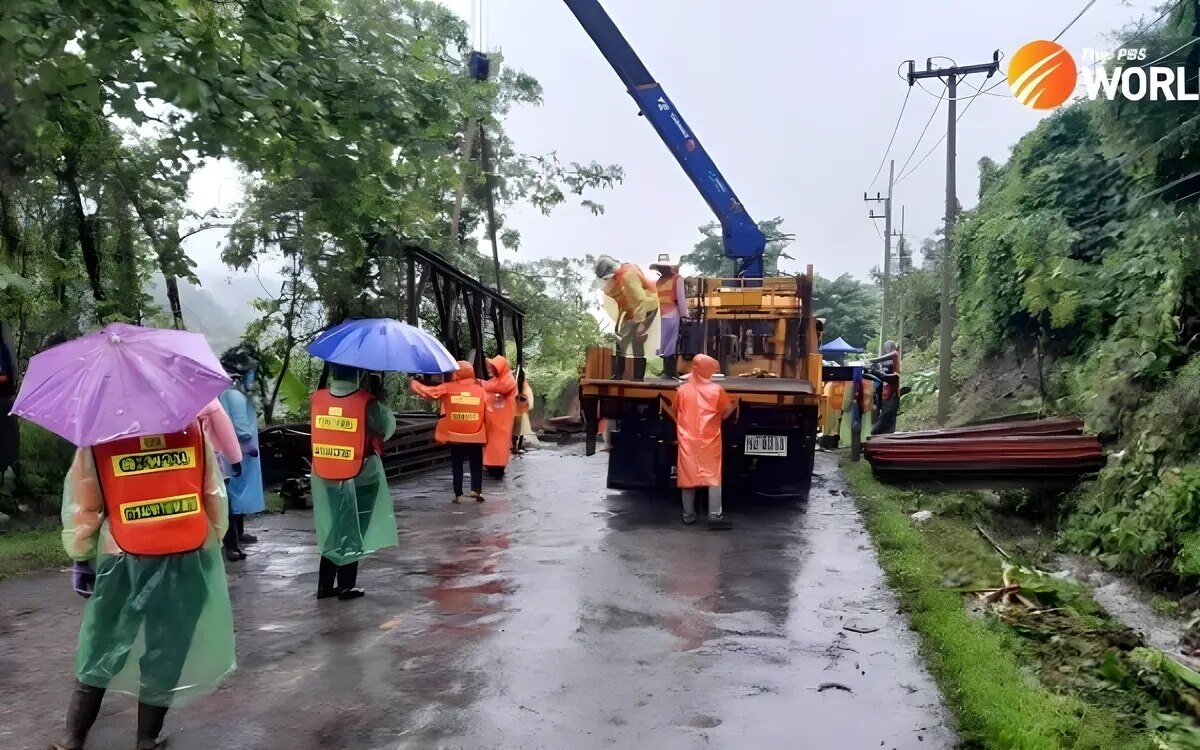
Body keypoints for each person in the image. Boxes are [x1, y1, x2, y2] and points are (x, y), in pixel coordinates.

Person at [53, 421, 235, 750]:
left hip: (121, 554)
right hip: (186, 551)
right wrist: (214, 541)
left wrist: (81, 554)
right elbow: (211, 492)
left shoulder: (100, 435)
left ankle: (71, 738)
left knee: (102, 642)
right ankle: (146, 740)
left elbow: (85, 500)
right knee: (168, 647)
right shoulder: (190, 428)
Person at [310, 364, 398, 601]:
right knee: (354, 529)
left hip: (327, 473)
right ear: (358, 374)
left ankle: (325, 585)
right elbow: (385, 429)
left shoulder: (318, 399)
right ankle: (346, 585)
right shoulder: (366, 402)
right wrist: (378, 401)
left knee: (336, 526)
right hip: (361, 476)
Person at [410, 360, 488, 504]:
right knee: (476, 463)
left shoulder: (448, 387)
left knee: (457, 465)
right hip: (476, 435)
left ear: (457, 372)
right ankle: (476, 490)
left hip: (455, 435)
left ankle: (458, 495)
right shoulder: (481, 390)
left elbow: (428, 393)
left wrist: (414, 383)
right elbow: (488, 412)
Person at [675, 354, 735, 529]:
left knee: (687, 477)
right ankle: (715, 515)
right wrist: (716, 420)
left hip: (687, 439)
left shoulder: (682, 390)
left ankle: (688, 515)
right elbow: (728, 410)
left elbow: (675, 409)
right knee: (713, 477)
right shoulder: (717, 390)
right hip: (710, 439)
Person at [217, 347, 266, 562]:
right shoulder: (233, 395)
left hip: (236, 453)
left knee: (237, 495)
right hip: (237, 454)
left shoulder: (229, 393)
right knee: (233, 498)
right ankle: (231, 545)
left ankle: (238, 535)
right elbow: (239, 426)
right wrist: (248, 445)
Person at [595, 255, 659, 382]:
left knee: (637, 340)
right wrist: (620, 324)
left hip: (646, 307)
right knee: (620, 341)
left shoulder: (628, 276)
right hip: (632, 311)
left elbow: (640, 301)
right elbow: (623, 304)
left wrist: (641, 325)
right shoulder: (618, 280)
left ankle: (638, 377)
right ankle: (618, 374)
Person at [650, 254, 688, 380]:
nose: (660, 270)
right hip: (661, 315)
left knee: (670, 344)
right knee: (664, 343)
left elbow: (681, 299)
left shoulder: (678, 279)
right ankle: (668, 371)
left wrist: (684, 316)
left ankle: (670, 371)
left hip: (672, 314)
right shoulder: (659, 281)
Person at [482, 355, 517, 478]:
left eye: (494, 367)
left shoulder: (507, 380)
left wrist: (481, 384)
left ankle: (497, 467)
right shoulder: (498, 379)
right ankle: (492, 465)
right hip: (494, 418)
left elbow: (498, 387)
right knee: (493, 442)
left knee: (499, 443)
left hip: (502, 420)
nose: (491, 369)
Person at [868, 340, 901, 436]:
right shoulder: (890, 364)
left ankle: (875, 437)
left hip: (891, 394)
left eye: (887, 349)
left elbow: (883, 375)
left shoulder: (895, 355)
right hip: (886, 394)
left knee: (885, 420)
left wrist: (873, 361)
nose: (887, 351)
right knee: (888, 422)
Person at [512, 369, 535, 453]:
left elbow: (529, 400)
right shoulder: (514, 384)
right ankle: (516, 446)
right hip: (517, 410)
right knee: (517, 429)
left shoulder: (524, 387)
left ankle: (516, 446)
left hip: (519, 410)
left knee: (519, 429)